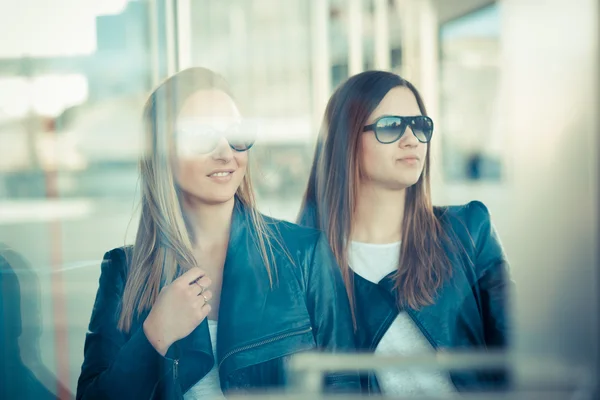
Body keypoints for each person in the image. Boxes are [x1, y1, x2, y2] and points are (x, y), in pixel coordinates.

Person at [76, 67, 359, 400]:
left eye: (235, 133)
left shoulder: (304, 255)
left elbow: (347, 386)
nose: (226, 153)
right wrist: (154, 336)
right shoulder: (125, 272)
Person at [298, 70, 512, 395]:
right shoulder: (304, 260)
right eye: (391, 126)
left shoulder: (468, 230)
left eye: (420, 125)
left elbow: (518, 346)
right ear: (346, 140)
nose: (412, 139)